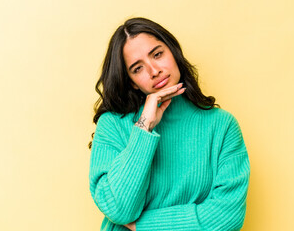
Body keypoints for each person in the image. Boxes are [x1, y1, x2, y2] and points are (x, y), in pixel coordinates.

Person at [89, 17, 250, 231]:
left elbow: (227, 217)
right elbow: (120, 210)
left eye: (157, 54)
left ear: (173, 51)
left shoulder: (222, 126)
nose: (154, 70)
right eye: (138, 68)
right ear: (132, 83)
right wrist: (144, 127)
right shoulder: (112, 126)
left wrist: (142, 226)